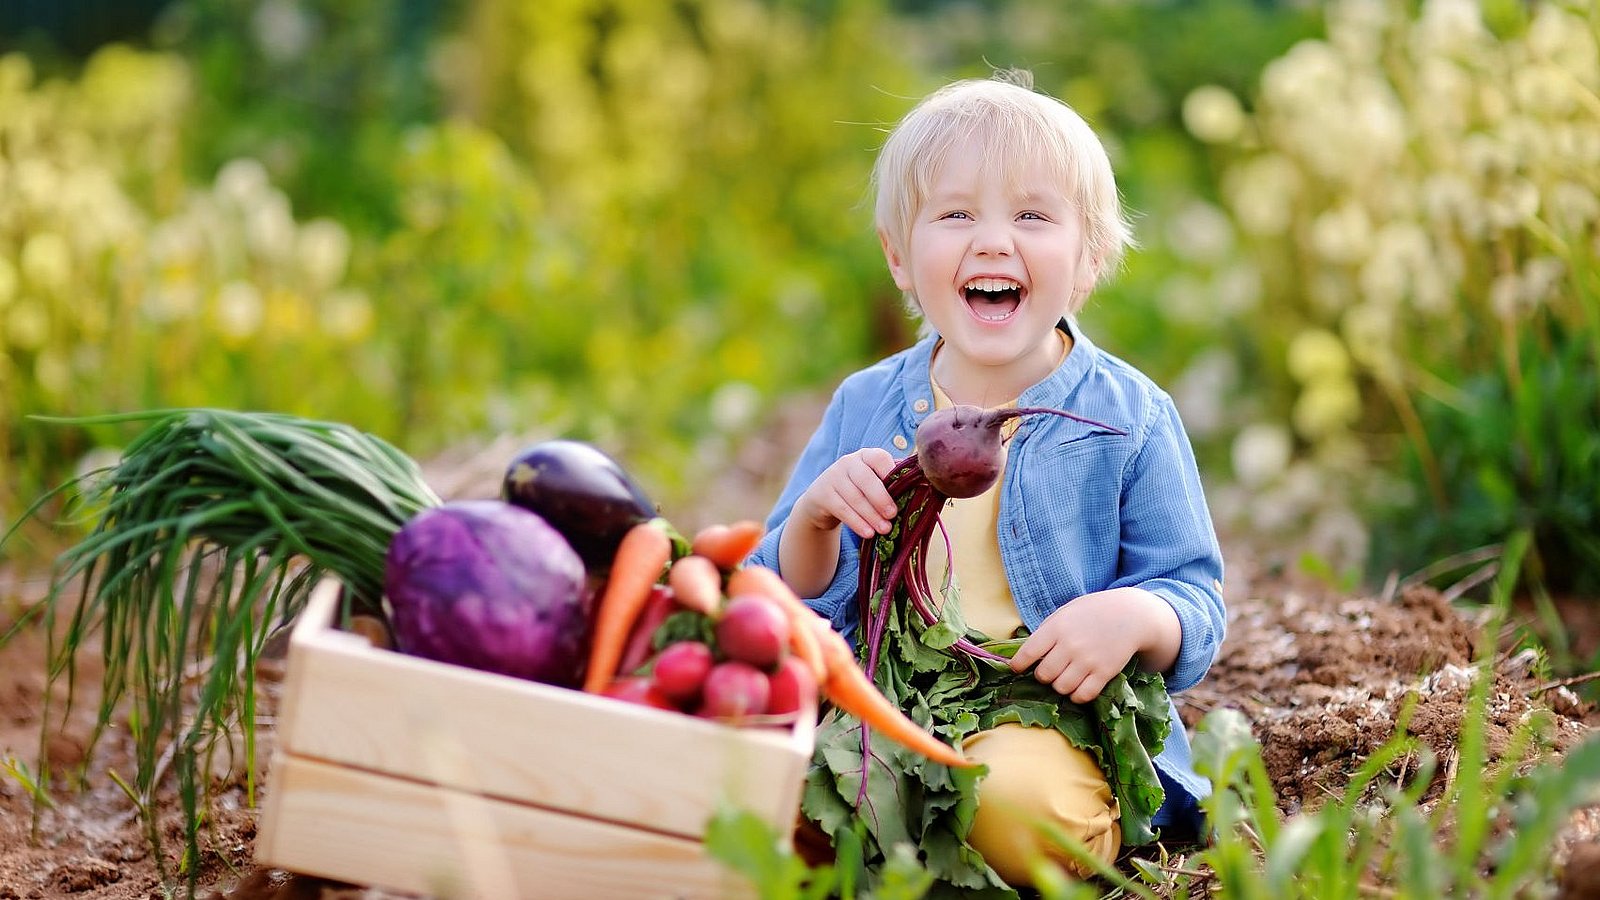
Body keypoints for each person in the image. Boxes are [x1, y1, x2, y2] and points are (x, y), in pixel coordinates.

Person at [747, 70, 1226, 887]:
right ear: (901, 257)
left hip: (1045, 716)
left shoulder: (1130, 415)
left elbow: (1196, 599)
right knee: (755, 782)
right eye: (956, 214)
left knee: (1012, 805)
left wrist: (1134, 616)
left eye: (1033, 216)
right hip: (883, 707)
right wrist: (815, 524)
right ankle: (894, 833)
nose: (994, 241)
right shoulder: (866, 404)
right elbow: (778, 595)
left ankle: (1009, 830)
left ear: (1089, 260)